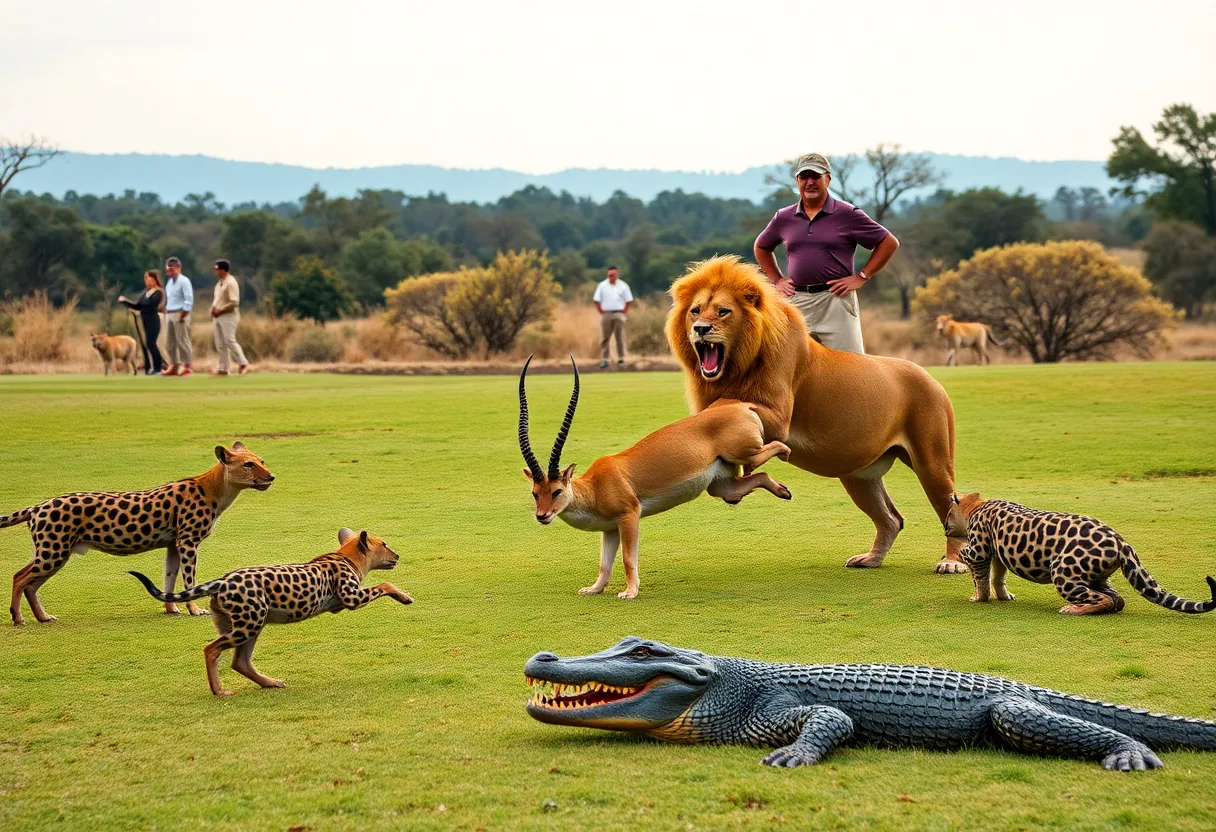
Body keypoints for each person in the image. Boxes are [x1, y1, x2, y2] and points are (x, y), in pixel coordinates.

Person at [753, 152, 900, 354]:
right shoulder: (784, 217)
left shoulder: (848, 214)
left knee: (851, 367)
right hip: (796, 301)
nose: (810, 182)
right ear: (797, 181)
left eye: (816, 176)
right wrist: (776, 280)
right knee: (787, 366)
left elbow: (888, 242)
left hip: (836, 301)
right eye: (804, 177)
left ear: (827, 179)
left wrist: (862, 276)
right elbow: (761, 247)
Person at [118, 270, 167, 375]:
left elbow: (149, 305)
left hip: (153, 319)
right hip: (145, 320)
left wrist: (139, 308)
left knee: (152, 343)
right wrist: (125, 302)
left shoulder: (158, 292)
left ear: (154, 279)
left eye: (149, 278)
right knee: (148, 344)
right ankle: (151, 366)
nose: (147, 280)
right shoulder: (145, 292)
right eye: (146, 278)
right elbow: (137, 305)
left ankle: (158, 367)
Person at [209, 259, 250, 376]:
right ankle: (223, 369)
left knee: (229, 340)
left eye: (217, 269)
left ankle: (243, 363)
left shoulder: (231, 282)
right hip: (217, 316)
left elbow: (234, 302)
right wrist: (213, 309)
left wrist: (220, 310)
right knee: (220, 344)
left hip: (228, 316)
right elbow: (218, 300)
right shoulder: (219, 283)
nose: (215, 272)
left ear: (223, 270)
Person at [593, 265, 633, 369]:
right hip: (606, 313)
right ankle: (605, 359)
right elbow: (596, 300)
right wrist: (601, 311)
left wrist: (624, 311)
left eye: (613, 275)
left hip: (618, 313)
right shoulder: (602, 286)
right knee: (605, 337)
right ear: (607, 275)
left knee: (619, 337)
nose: (611, 277)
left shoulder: (623, 286)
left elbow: (629, 300)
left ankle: (621, 358)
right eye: (610, 275)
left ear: (617, 274)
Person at [161, 256, 194, 376]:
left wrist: (184, 314)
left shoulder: (184, 281)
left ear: (179, 268)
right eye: (168, 269)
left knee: (183, 341)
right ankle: (174, 366)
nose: (170, 271)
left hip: (180, 313)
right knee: (169, 343)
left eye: (172, 269)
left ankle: (187, 367)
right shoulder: (169, 283)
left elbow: (189, 299)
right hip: (170, 313)